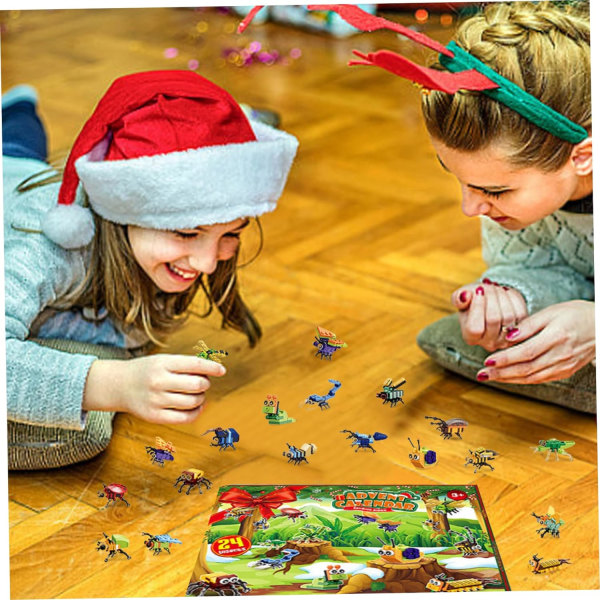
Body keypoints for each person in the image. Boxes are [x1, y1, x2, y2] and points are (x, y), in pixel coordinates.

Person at [239, 2, 594, 412]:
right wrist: (513, 294)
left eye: (494, 191)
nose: (470, 207)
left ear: (583, 156)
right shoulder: (506, 190)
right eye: (456, 178)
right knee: (447, 338)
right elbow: (543, 265)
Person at [3, 70, 298, 469]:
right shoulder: (48, 245)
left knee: (21, 144)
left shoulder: (137, 243)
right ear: (123, 212)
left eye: (231, 234)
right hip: (14, 183)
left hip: (23, 171)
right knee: (15, 145)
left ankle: (18, 108)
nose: (208, 263)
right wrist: (114, 385)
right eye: (186, 233)